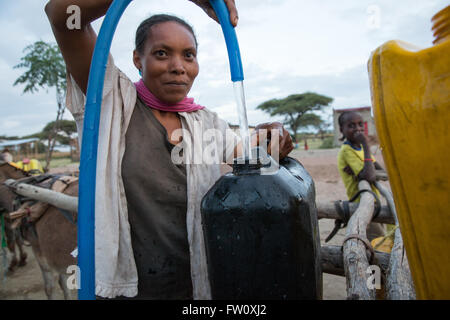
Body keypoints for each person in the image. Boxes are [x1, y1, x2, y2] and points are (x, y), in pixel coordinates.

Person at [45, 0, 293, 299]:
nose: (178, 67)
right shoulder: (111, 101)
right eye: (162, 53)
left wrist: (275, 133)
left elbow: (256, 154)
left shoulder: (207, 123)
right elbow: (61, 15)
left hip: (196, 286)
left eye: (188, 55)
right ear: (138, 59)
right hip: (124, 290)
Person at [337, 111, 386, 241]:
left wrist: (364, 170)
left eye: (360, 124)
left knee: (379, 241)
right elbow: (370, 176)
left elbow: (382, 172)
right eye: (351, 125)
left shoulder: (360, 149)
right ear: (342, 129)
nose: (358, 129)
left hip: (375, 201)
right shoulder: (347, 150)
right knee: (380, 241)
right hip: (361, 205)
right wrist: (365, 144)